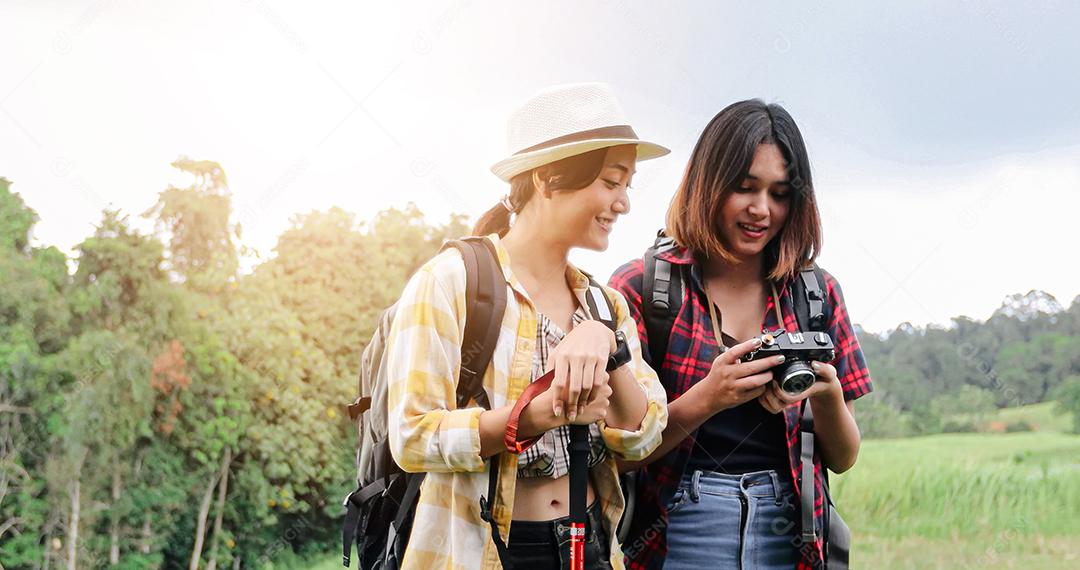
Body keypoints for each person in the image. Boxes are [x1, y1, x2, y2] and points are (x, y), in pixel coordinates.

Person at [387, 82, 670, 569]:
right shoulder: (450, 283)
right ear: (547, 178)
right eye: (611, 181)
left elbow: (642, 435)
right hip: (483, 549)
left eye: (627, 184)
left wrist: (607, 344)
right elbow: (412, 436)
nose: (623, 202)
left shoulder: (605, 304)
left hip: (588, 546)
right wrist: (532, 418)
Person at [609, 99, 873, 570]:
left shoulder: (815, 293)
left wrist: (826, 395)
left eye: (779, 193)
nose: (761, 210)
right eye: (744, 188)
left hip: (792, 532)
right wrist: (710, 396)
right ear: (707, 185)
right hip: (679, 530)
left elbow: (844, 456)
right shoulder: (643, 290)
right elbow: (619, 455)